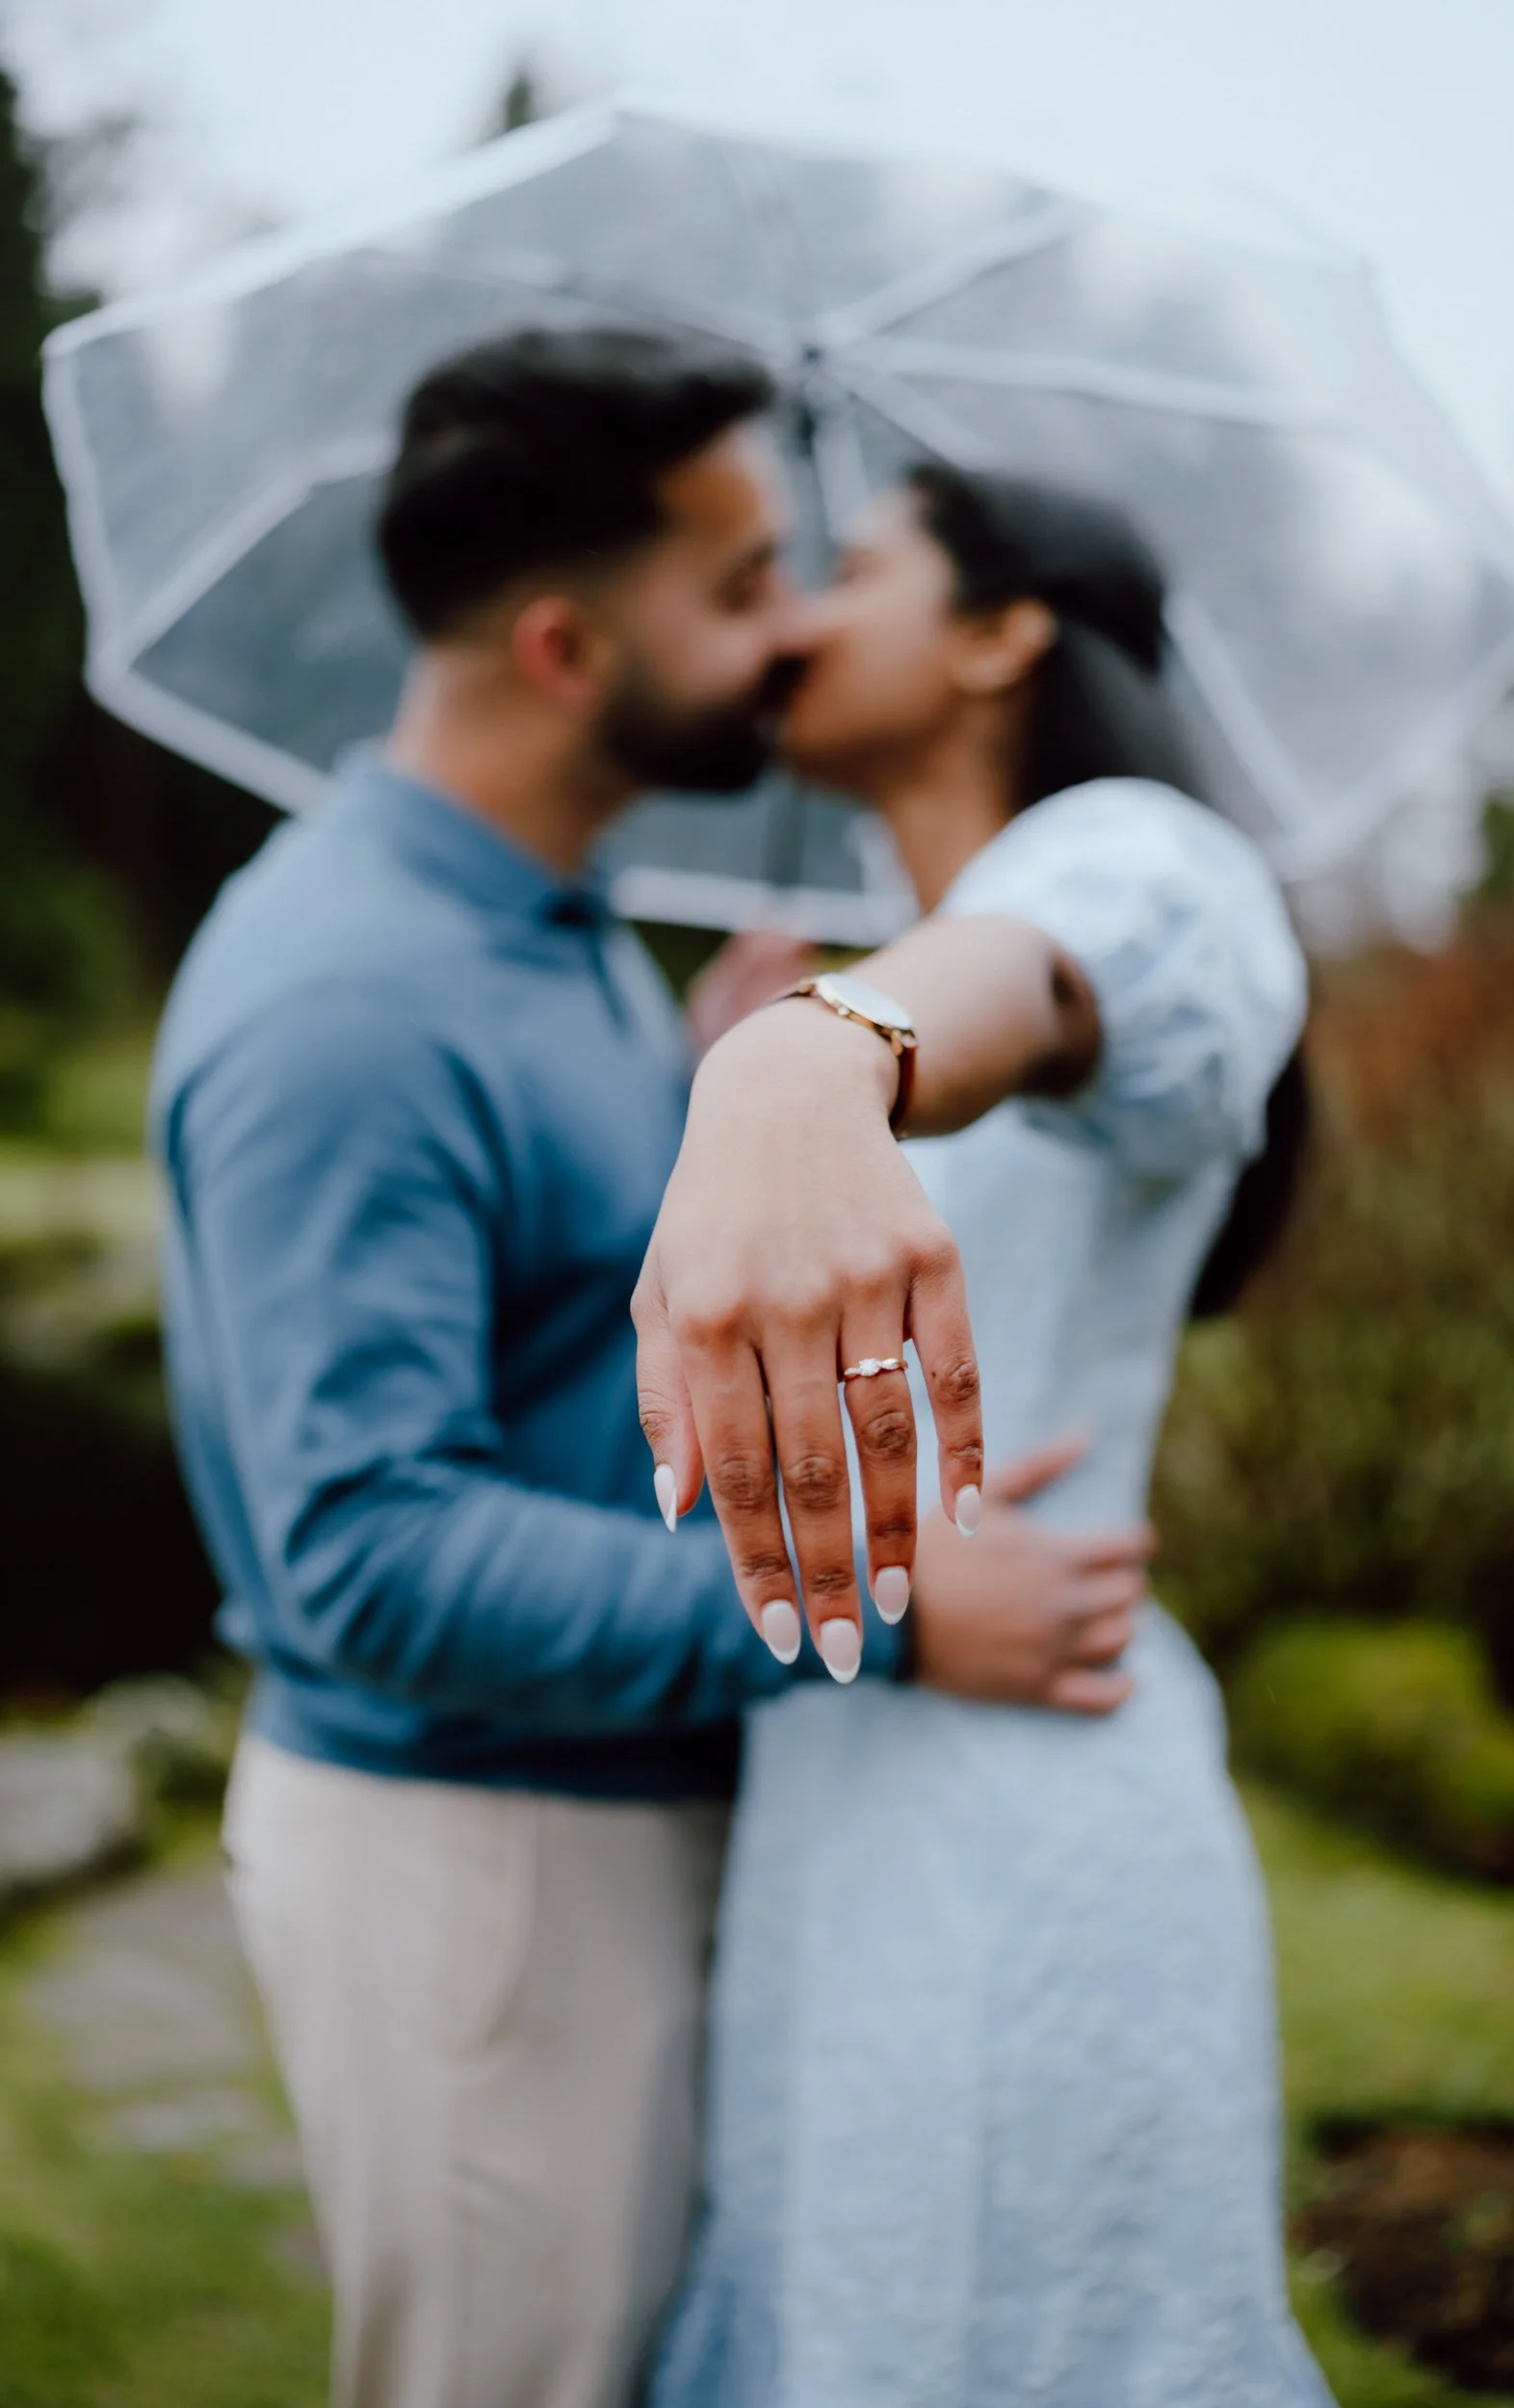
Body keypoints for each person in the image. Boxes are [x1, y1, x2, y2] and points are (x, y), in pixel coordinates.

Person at [149, 330, 1152, 2408]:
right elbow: (365, 1553)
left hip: (597, 1818)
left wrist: (707, 1098)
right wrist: (874, 1614)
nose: (786, 631)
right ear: (559, 645)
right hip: (485, 1872)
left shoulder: (552, 927)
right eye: (735, 585)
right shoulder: (348, 995)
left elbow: (558, 1345)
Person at [640, 465, 1332, 2405]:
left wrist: (816, 1061)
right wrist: (740, 1068)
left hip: (1028, 1812)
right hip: (834, 1802)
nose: (783, 622)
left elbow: (1028, 969)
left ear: (999, 630)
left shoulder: (1138, 866)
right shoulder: (867, 951)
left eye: (843, 571)